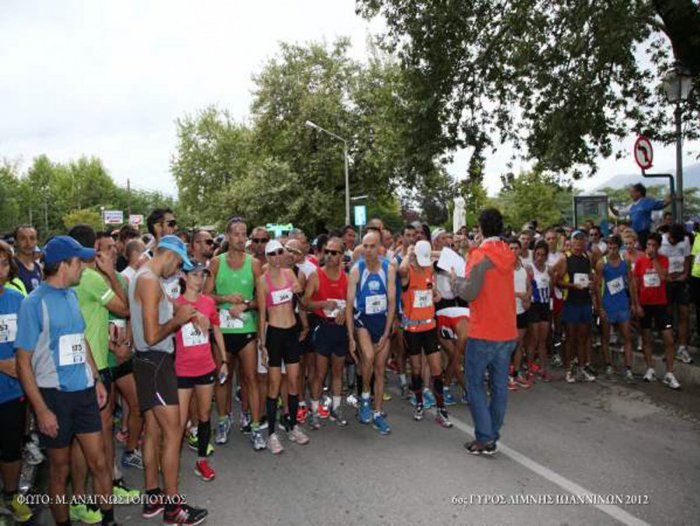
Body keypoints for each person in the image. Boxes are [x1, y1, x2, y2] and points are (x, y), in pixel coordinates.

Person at [15, 236, 118, 526]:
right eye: (79, 263)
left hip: (84, 392)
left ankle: (108, 520)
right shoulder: (32, 303)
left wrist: (96, 378)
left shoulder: (72, 295)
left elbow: (80, 339)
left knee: (99, 462)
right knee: (60, 471)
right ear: (63, 265)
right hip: (54, 397)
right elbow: (23, 362)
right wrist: (41, 409)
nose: (84, 268)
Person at [129, 235, 208, 523]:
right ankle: (174, 507)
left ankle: (153, 498)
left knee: (153, 432)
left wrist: (188, 312)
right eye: (178, 264)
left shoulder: (145, 274)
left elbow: (164, 307)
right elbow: (151, 335)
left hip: (147, 363)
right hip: (156, 362)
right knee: (174, 432)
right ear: (169, 255)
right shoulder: (150, 279)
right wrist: (179, 320)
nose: (177, 271)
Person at [453, 208, 517, 455]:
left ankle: (484, 438)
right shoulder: (507, 253)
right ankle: (492, 434)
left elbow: (470, 292)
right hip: (507, 330)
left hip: (484, 331)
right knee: (499, 386)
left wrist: (455, 281)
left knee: (475, 384)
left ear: (480, 228)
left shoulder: (480, 256)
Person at [204, 217, 265, 450]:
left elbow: (260, 300)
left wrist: (246, 305)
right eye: (237, 234)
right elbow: (207, 296)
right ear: (228, 236)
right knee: (223, 379)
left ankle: (256, 425)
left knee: (250, 379)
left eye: (244, 233)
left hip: (247, 329)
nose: (241, 238)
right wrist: (226, 299)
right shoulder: (216, 263)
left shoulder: (254, 264)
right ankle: (223, 420)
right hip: (222, 331)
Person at [257, 240, 310, 453]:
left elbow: (300, 293)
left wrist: (297, 284)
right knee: (273, 385)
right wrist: (262, 344)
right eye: (272, 254)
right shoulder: (262, 281)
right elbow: (262, 315)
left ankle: (292, 425)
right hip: (275, 334)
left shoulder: (290, 274)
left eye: (280, 252)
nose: (277, 256)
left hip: (291, 332)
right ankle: (271, 434)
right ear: (267, 256)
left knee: (294, 383)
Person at [175, 264, 227, 481]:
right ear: (184, 277)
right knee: (179, 420)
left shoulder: (208, 302)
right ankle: (171, 463)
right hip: (182, 368)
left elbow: (216, 329)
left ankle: (202, 462)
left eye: (202, 275)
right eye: (194, 275)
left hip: (205, 366)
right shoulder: (175, 304)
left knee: (205, 415)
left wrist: (223, 360)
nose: (199, 279)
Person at [346, 232, 396, 435]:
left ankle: (377, 412)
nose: (368, 250)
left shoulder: (388, 269)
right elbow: (349, 305)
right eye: (364, 246)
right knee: (367, 355)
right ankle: (365, 397)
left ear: (379, 248)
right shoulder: (356, 270)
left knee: (379, 368)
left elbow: (392, 303)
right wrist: (351, 336)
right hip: (363, 321)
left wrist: (386, 333)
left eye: (372, 246)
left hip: (382, 322)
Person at [399, 240, 452, 428]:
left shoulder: (430, 270)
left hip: (429, 328)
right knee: (416, 369)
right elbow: (401, 271)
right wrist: (408, 253)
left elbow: (433, 292)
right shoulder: (408, 272)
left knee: (437, 370)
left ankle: (441, 408)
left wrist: (435, 294)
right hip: (412, 330)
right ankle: (419, 403)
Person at [0, 243, 33, 522]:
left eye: (2, 263)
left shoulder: (16, 299)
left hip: (12, 391)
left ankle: (11, 497)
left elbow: (28, 341)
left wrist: (22, 364)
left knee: (11, 447)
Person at [304, 237, 349, 429]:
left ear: (341, 255)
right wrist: (322, 304)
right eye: (327, 251)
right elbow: (305, 302)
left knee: (338, 372)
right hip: (322, 327)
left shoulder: (347, 277)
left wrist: (345, 313)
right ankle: (314, 411)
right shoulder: (316, 275)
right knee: (320, 373)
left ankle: (336, 408)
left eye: (334, 252)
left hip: (339, 329)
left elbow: (352, 304)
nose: (329, 256)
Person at [633, 233, 681, 390]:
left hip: (660, 304)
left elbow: (663, 277)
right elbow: (635, 284)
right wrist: (636, 305)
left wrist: (654, 260)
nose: (651, 248)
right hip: (645, 305)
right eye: (649, 245)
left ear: (659, 247)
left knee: (669, 339)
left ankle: (669, 373)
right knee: (646, 339)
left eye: (654, 245)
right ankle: (650, 368)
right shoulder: (639, 261)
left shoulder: (663, 259)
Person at [553, 230, 596, 383]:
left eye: (581, 240)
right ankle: (568, 369)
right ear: (570, 242)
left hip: (585, 301)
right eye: (576, 240)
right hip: (571, 302)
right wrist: (572, 285)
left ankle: (582, 367)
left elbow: (590, 276)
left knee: (583, 337)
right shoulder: (565, 258)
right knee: (570, 337)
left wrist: (590, 283)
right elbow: (555, 279)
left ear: (585, 242)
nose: (578, 243)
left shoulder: (587, 257)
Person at [594, 235, 635, 381]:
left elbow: (630, 282)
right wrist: (600, 307)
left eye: (614, 248)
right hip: (607, 304)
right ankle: (608, 365)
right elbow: (597, 287)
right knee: (605, 336)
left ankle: (628, 368)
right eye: (609, 248)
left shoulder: (625, 261)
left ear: (619, 247)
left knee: (627, 336)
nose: (611, 251)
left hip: (622, 303)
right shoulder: (601, 263)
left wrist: (634, 303)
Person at [659, 224, 693, 364]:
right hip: (666, 282)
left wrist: (685, 274)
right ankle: (668, 346)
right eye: (672, 240)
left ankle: (682, 347)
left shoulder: (684, 240)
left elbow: (687, 259)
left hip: (680, 282)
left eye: (676, 241)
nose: (674, 243)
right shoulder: (661, 241)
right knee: (667, 315)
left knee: (684, 312)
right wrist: (665, 277)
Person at [611, 184, 671, 248]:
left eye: (632, 192)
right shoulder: (632, 206)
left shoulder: (647, 202)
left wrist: (670, 197)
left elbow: (663, 204)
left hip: (644, 234)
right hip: (634, 234)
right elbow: (618, 213)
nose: (630, 194)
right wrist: (611, 207)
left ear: (639, 192)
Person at [527, 240, 553, 382]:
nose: (540, 257)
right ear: (534, 255)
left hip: (545, 306)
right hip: (534, 306)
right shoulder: (529, 268)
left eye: (543, 255)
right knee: (533, 339)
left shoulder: (549, 269)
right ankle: (530, 368)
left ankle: (543, 368)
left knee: (543, 340)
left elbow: (551, 287)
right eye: (537, 254)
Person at [13, 225, 42, 293]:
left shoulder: (38, 268)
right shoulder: (10, 266)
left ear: (36, 241)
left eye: (32, 238)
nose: (28, 243)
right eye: (23, 238)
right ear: (16, 242)